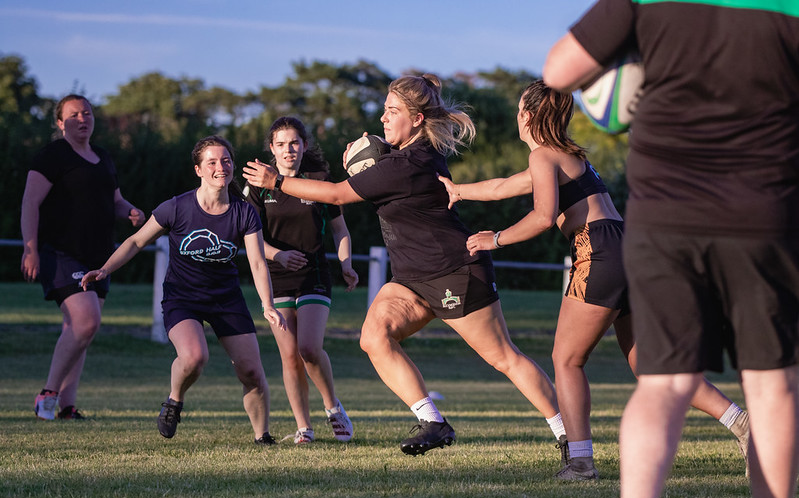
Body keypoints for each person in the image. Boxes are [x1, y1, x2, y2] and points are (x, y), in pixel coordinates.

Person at [544, 1, 799, 498]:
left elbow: (559, 71)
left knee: (662, 384)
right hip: (765, 206)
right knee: (771, 385)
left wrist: (631, 59)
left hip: (666, 209)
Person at [439, 80, 750, 481]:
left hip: (598, 250)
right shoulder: (568, 157)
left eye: (518, 109)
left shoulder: (543, 157)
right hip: (629, 246)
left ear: (526, 116)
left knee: (567, 359)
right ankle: (743, 423)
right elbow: (503, 187)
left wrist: (494, 239)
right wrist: (458, 190)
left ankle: (581, 463)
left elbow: (542, 217)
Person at [243, 73, 565, 458]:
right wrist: (369, 157)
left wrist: (276, 182)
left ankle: (570, 434)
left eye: (392, 111)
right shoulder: (406, 155)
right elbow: (375, 170)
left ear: (416, 119)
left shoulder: (409, 162)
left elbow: (336, 194)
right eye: (384, 109)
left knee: (503, 358)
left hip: (454, 271)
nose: (382, 117)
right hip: (411, 278)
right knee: (373, 337)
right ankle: (433, 423)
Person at [80, 135, 286, 444]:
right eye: (212, 162)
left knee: (252, 373)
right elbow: (136, 241)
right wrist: (105, 269)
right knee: (194, 357)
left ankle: (262, 437)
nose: (221, 167)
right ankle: (174, 400)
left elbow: (257, 263)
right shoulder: (176, 207)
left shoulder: (244, 212)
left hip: (226, 299)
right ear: (198, 170)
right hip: (183, 297)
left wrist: (267, 305)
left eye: (226, 161)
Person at [20, 94, 144, 421]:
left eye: (87, 113)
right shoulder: (52, 156)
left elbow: (115, 201)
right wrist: (30, 248)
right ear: (60, 123)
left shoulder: (103, 156)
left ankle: (66, 407)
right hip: (61, 253)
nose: (82, 119)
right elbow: (30, 203)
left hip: (100, 258)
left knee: (79, 331)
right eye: (73, 115)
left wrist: (130, 211)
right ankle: (48, 393)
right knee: (86, 321)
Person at [243, 117, 358, 444]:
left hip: (314, 275)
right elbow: (250, 239)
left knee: (308, 348)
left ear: (304, 145)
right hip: (275, 278)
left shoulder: (319, 182)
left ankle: (333, 407)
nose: (288, 149)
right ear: (272, 148)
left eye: (294, 142)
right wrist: (278, 255)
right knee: (290, 356)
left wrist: (346, 263)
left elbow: (340, 230)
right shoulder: (258, 186)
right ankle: (304, 428)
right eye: (281, 144)